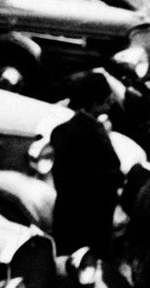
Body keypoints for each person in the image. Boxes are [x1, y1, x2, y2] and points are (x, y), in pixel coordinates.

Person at [52, 72, 123, 258]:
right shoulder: (94, 133)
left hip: (67, 215)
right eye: (106, 100)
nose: (110, 104)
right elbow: (112, 173)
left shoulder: (60, 131)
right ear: (93, 103)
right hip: (93, 219)